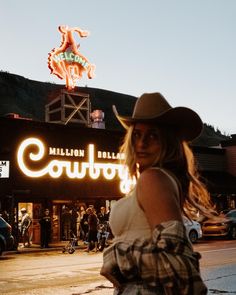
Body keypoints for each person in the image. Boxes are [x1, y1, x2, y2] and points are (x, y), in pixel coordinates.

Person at [100, 93, 217, 294]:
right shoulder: (158, 179)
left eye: (153, 135)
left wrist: (118, 254)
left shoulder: (153, 179)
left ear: (167, 141)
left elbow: (181, 268)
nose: (142, 143)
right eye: (137, 134)